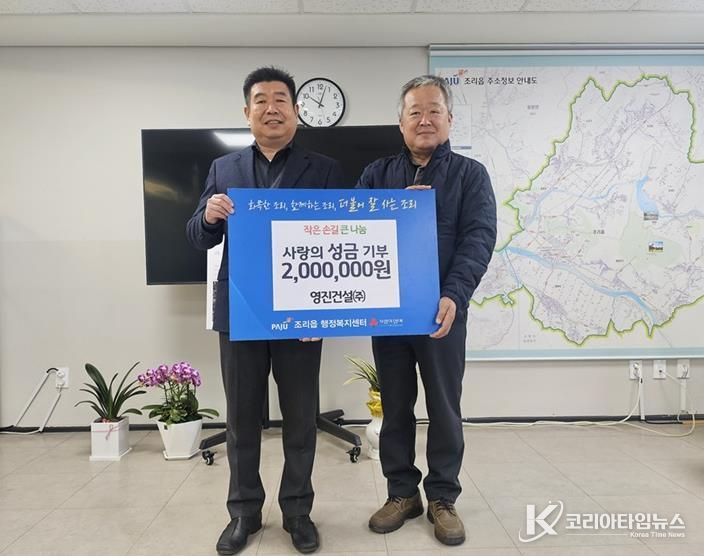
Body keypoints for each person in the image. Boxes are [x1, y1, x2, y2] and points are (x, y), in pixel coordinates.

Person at [186, 66, 344, 555]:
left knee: (300, 419)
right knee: (241, 420)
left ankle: (297, 511)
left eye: (280, 99)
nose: (271, 108)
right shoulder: (224, 169)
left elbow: (342, 238)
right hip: (241, 312)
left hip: (301, 315)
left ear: (296, 110)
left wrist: (322, 313)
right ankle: (244, 513)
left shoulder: (324, 169)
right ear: (247, 111)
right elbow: (197, 234)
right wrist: (208, 216)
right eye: (261, 100)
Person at [356, 75, 497, 546]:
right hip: (389, 314)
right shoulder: (376, 175)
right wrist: (395, 210)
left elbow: (479, 238)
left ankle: (442, 497)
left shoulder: (470, 175)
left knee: (444, 407)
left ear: (449, 119)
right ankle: (402, 493)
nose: (424, 119)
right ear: (400, 123)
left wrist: (454, 294)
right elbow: (353, 230)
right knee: (395, 406)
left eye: (434, 110)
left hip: (442, 313)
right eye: (414, 112)